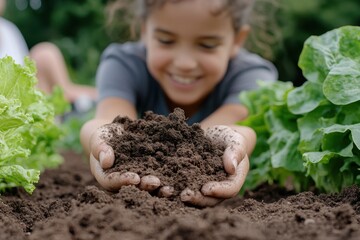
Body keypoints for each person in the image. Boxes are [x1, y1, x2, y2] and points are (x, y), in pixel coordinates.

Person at [80, 0, 278, 207]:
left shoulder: (253, 77)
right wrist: (102, 143)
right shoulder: (123, 64)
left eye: (207, 45)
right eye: (166, 40)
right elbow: (108, 122)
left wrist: (237, 144)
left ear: (237, 40)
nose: (185, 63)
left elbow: (232, 131)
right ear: (144, 30)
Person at [0, 0, 97, 105]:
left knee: (45, 54)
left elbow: (26, 78)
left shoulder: (9, 31)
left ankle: (95, 98)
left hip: (22, 103)